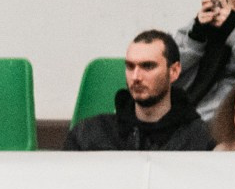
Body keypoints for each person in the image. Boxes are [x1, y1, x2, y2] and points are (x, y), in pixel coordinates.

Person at [63, 30, 212, 151]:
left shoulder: (199, 139)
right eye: (130, 66)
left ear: (174, 71)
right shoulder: (89, 134)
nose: (136, 77)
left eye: (148, 66)